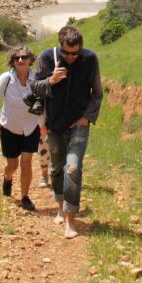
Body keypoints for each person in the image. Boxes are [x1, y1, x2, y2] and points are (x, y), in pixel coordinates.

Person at [31, 25, 103, 239]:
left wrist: (86, 117)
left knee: (72, 167)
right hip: (54, 124)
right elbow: (34, 87)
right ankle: (60, 206)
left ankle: (70, 220)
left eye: (75, 53)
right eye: (67, 53)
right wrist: (51, 80)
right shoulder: (46, 57)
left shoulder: (90, 59)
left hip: (79, 124)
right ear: (59, 46)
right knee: (56, 168)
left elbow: (97, 93)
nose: (71, 57)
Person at [0, 45, 41, 211]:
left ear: (30, 60)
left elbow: (45, 102)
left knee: (26, 162)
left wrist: (46, 125)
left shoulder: (37, 79)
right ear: (13, 62)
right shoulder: (6, 79)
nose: (21, 60)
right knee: (13, 165)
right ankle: (7, 177)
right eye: (17, 58)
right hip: (9, 127)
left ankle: (25, 197)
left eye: (24, 57)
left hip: (31, 126)